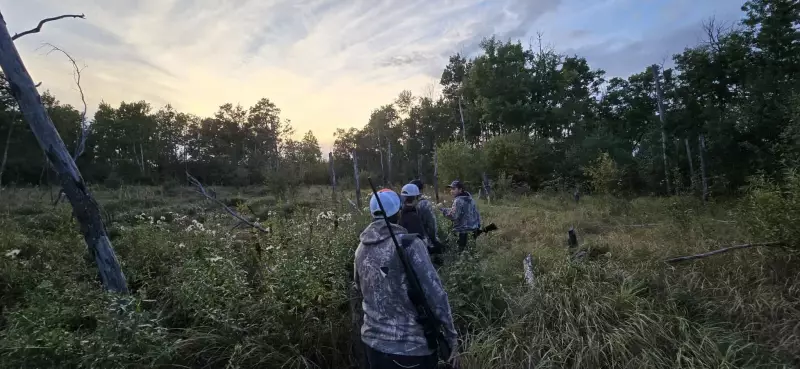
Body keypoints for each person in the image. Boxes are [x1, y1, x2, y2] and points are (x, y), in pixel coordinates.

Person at [354, 189, 459, 369]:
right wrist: (452, 338)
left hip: (373, 347)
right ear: (398, 212)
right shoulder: (410, 245)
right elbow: (436, 295)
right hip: (411, 351)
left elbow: (359, 289)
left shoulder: (360, 249)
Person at [441, 180, 481, 251]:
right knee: (471, 251)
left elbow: (454, 216)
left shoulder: (458, 200)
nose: (451, 191)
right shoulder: (470, 198)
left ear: (460, 189)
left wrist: (444, 211)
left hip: (463, 231)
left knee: (459, 252)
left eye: (454, 189)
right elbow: (466, 211)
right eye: (451, 189)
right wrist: (447, 209)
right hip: (474, 229)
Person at [409, 179, 443, 253]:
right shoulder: (424, 203)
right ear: (421, 189)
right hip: (425, 242)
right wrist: (434, 240)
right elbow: (431, 224)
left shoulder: (405, 202)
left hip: (410, 242)